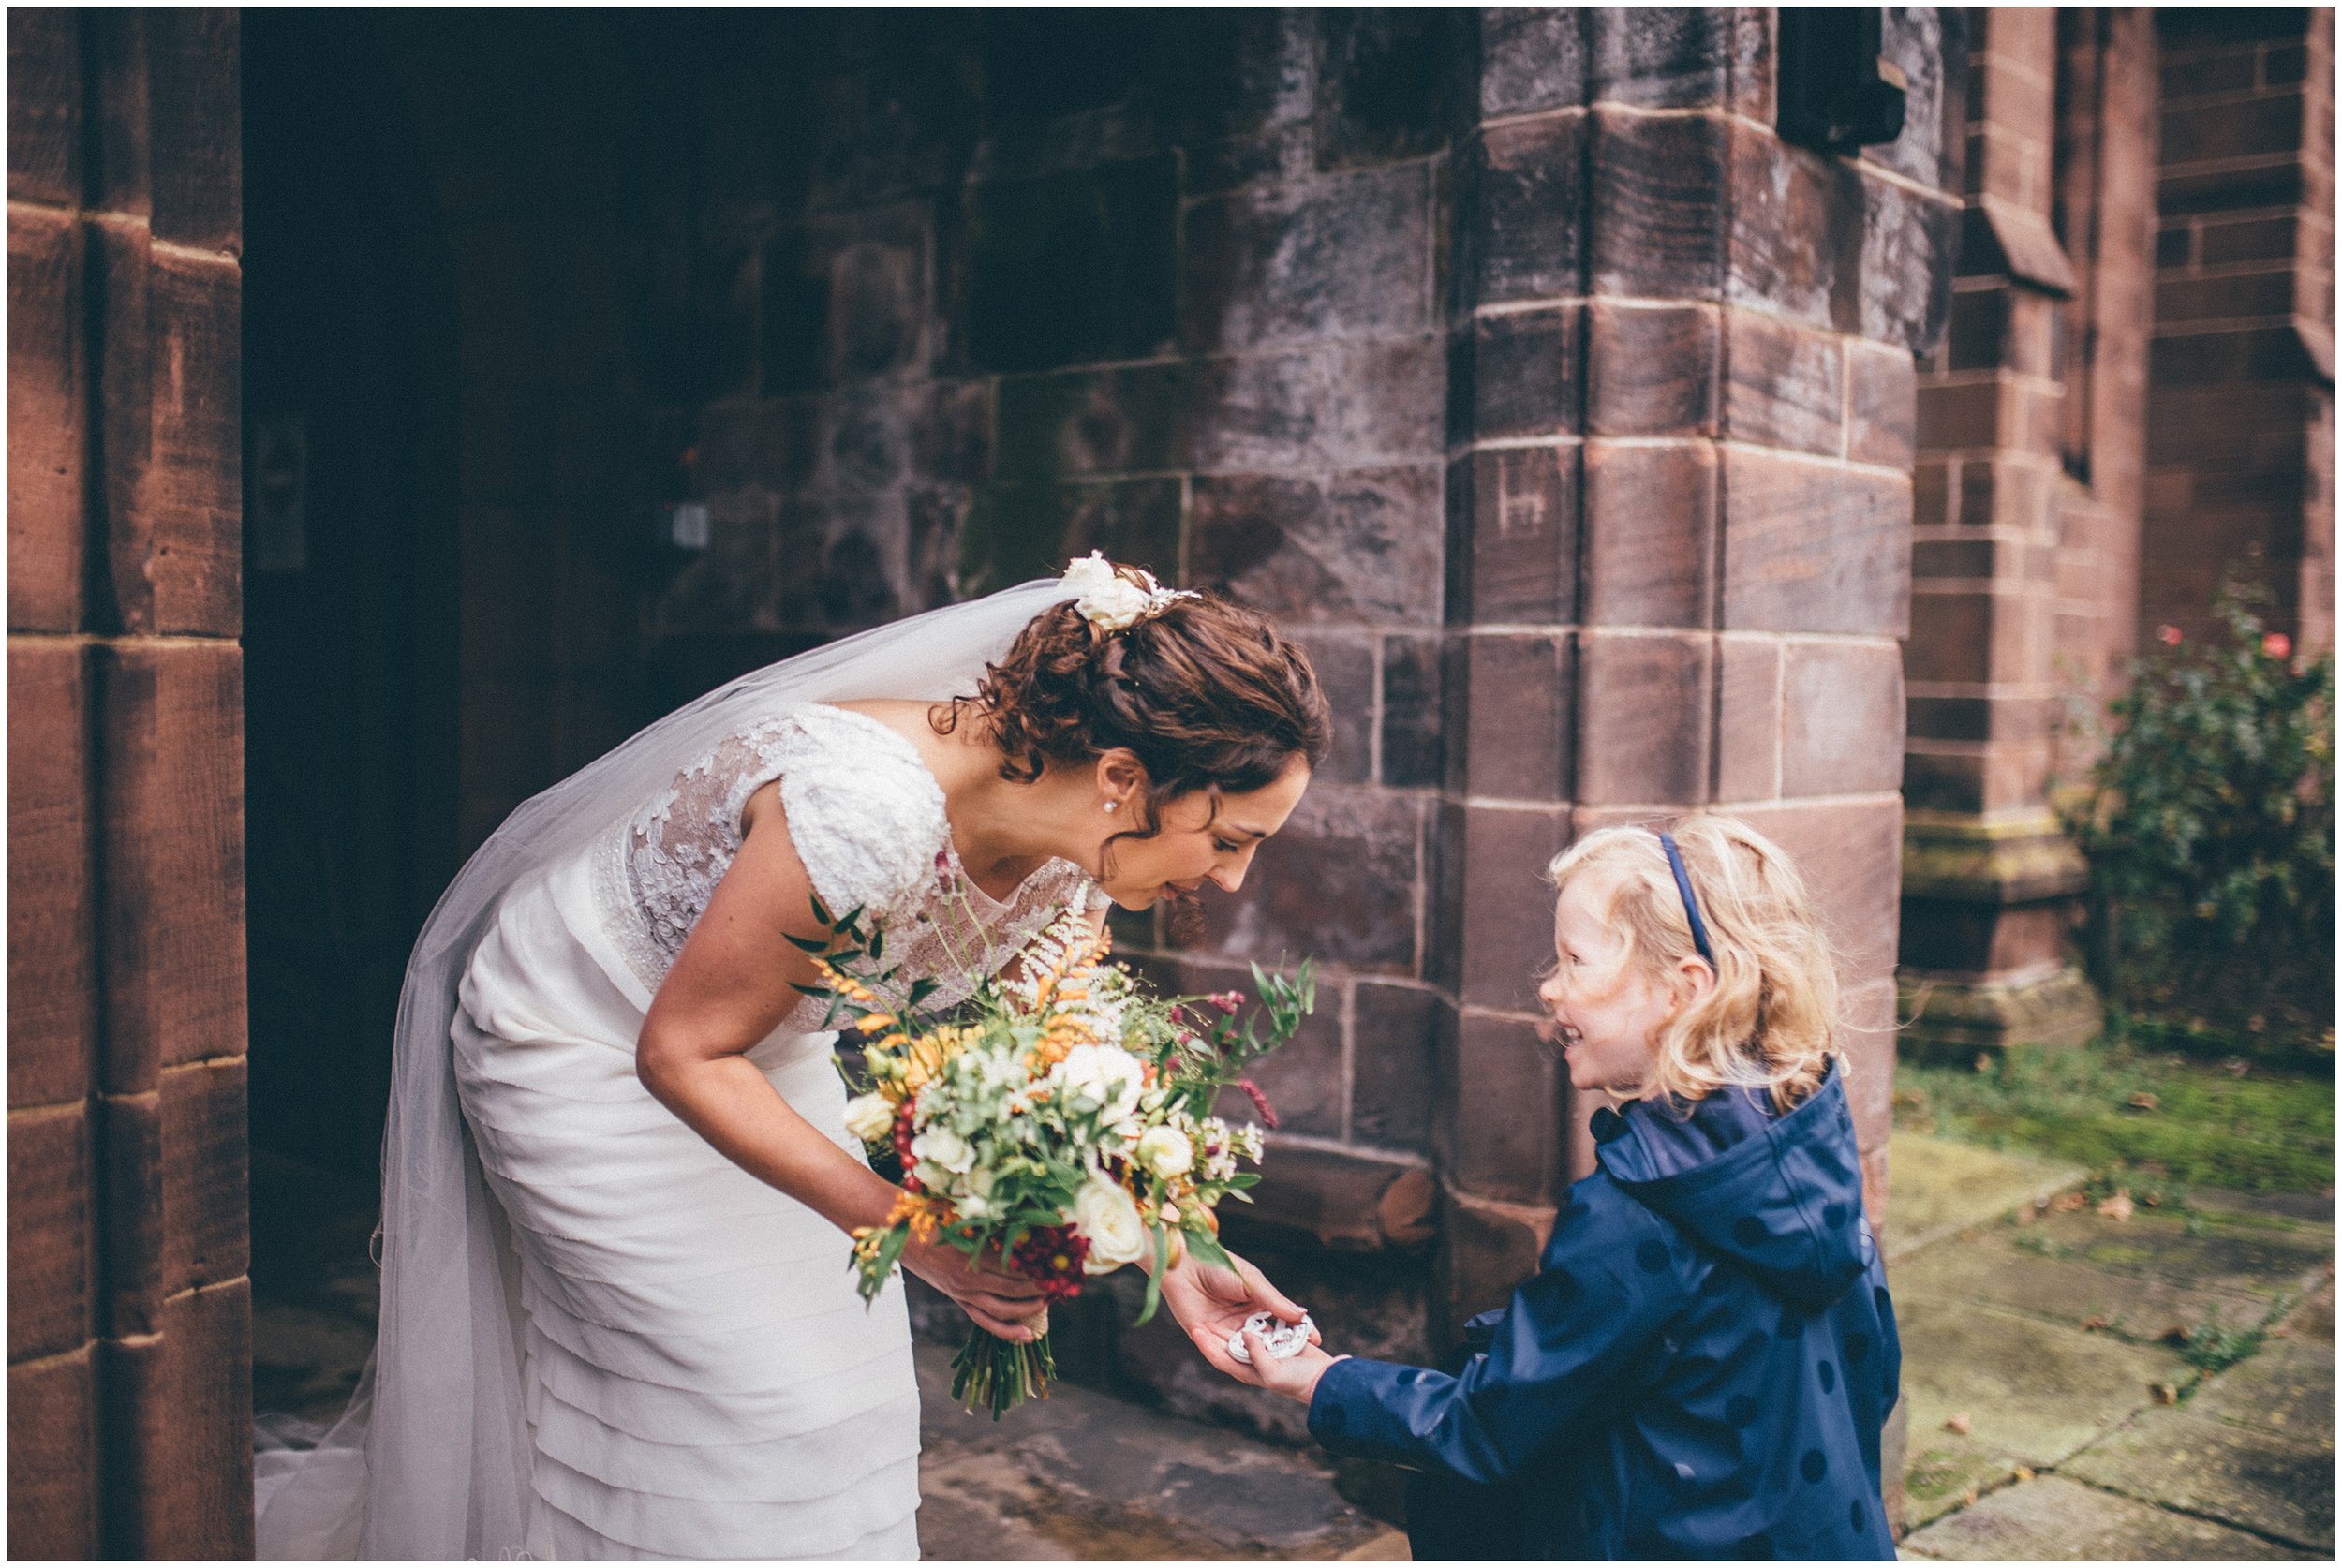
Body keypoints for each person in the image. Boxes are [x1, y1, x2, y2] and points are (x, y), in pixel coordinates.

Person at [256, 558, 1329, 1560]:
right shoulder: (866, 811)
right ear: (1122, 776)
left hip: (763, 1043)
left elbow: (1057, 1050)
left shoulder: (1081, 849)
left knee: (846, 1404)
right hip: (584, 1041)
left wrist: (1175, 1254)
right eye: (1230, 840)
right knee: (740, 1408)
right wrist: (917, 1234)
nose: (1230, 881)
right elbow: (681, 1053)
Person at [1218, 816, 1903, 1561]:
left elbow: (1494, 1425)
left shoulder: (1640, 1214)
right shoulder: (1809, 1152)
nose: (1549, 988)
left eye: (1574, 959)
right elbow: (1872, 1377)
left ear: (1683, 990)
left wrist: (1322, 1381)